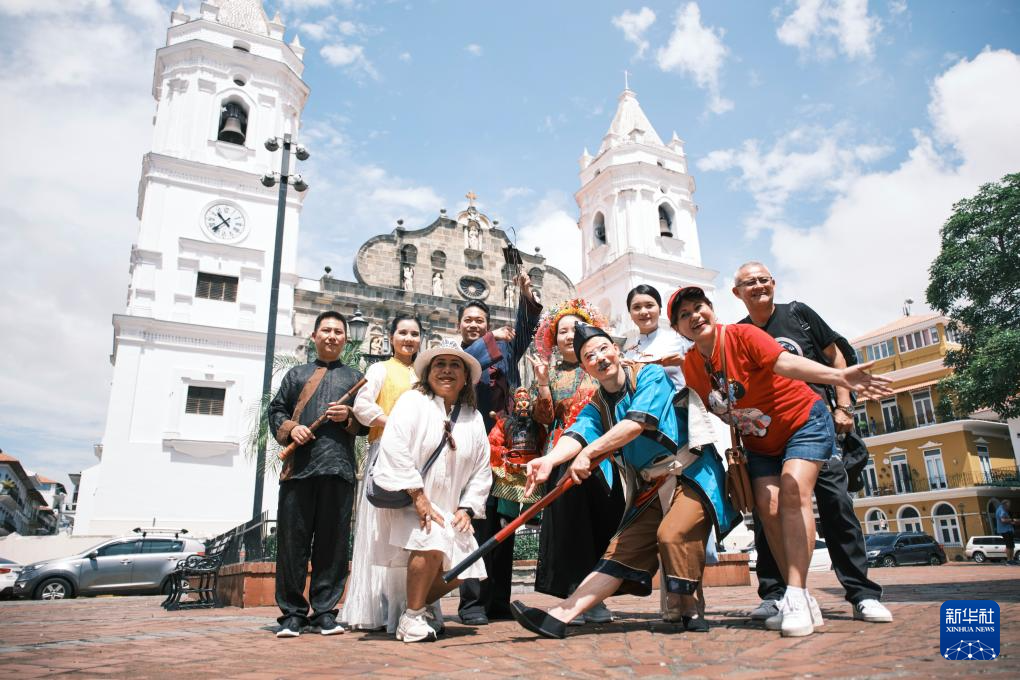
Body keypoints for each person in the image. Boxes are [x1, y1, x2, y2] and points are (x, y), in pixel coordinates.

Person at [669, 286, 893, 637]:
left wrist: (838, 377)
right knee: (768, 506)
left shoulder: (743, 335)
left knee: (792, 490)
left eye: (699, 307)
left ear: (712, 308)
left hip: (804, 422)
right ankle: (796, 592)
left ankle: (799, 596)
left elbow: (784, 362)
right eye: (684, 315)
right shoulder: (693, 365)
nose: (695, 316)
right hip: (761, 443)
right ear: (677, 329)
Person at [511, 323, 741, 639]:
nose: (599, 358)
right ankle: (560, 617)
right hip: (651, 486)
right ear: (585, 367)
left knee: (672, 533)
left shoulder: (649, 376)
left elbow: (636, 424)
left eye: (603, 349)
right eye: (590, 356)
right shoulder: (598, 403)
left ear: (617, 351)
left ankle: (690, 606)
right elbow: (577, 433)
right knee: (618, 551)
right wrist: (550, 460)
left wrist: (590, 452)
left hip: (692, 473)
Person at [731, 261, 893, 625]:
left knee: (837, 505)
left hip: (814, 425)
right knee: (769, 510)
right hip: (768, 434)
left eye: (763, 280)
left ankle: (862, 594)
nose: (758, 286)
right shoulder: (739, 334)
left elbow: (835, 356)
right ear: (736, 292)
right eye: (749, 282)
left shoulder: (798, 314)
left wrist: (843, 407)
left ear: (773, 283)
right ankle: (776, 594)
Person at [369, 340, 492, 642]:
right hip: (409, 501)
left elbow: (481, 467)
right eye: (440, 364)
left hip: (448, 507)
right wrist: (418, 495)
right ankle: (411, 619)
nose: (447, 371)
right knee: (432, 536)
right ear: (428, 372)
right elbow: (394, 446)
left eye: (455, 365)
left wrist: (467, 508)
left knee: (468, 562)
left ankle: (418, 606)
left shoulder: (473, 417)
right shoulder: (413, 402)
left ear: (466, 377)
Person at [268, 310, 367, 638]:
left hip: (339, 470)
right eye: (326, 330)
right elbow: (276, 410)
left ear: (345, 339)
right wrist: (291, 428)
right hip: (298, 472)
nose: (332, 336)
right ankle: (292, 614)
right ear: (314, 336)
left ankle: (325, 612)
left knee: (333, 545)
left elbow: (364, 425)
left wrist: (348, 415)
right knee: (292, 545)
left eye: (338, 332)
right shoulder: (296, 374)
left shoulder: (355, 378)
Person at [527, 299, 625, 625]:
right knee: (569, 528)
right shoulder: (549, 374)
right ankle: (571, 595)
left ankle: (595, 599)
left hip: (603, 455)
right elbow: (543, 418)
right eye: (563, 331)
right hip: (562, 455)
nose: (570, 336)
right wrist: (542, 382)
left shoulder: (599, 366)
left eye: (576, 329)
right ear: (553, 339)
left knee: (600, 524)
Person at [457, 273, 542, 626]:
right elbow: (468, 367)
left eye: (481, 320)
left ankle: (499, 601)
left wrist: (526, 296)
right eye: (469, 320)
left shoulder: (504, 350)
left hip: (506, 451)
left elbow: (525, 330)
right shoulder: (455, 357)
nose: (474, 325)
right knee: (475, 525)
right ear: (459, 326)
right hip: (471, 449)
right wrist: (491, 338)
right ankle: (472, 604)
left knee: (503, 524)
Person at [344, 314, 423, 632]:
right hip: (386, 450)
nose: (409, 339)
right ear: (391, 337)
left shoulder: (424, 374)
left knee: (411, 532)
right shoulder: (380, 370)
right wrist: (393, 423)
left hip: (419, 457)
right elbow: (362, 406)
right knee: (383, 531)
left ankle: (411, 607)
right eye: (403, 332)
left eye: (414, 334)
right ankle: (382, 610)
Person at [623, 284, 692, 390]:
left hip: (679, 399)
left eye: (649, 305)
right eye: (636, 307)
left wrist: (684, 363)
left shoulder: (680, 340)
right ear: (630, 314)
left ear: (659, 309)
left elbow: (700, 372)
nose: (643, 312)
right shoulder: (628, 353)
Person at [996, 499, 1017, 565]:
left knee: (1011, 545)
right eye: (1008, 505)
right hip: (1005, 530)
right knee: (1009, 545)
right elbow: (1003, 520)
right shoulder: (1001, 510)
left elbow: (1005, 520)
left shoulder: (1003, 510)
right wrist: (1012, 520)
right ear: (1004, 504)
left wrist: (1012, 522)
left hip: (1008, 530)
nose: (1009, 507)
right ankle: (1009, 560)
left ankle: (1011, 559)